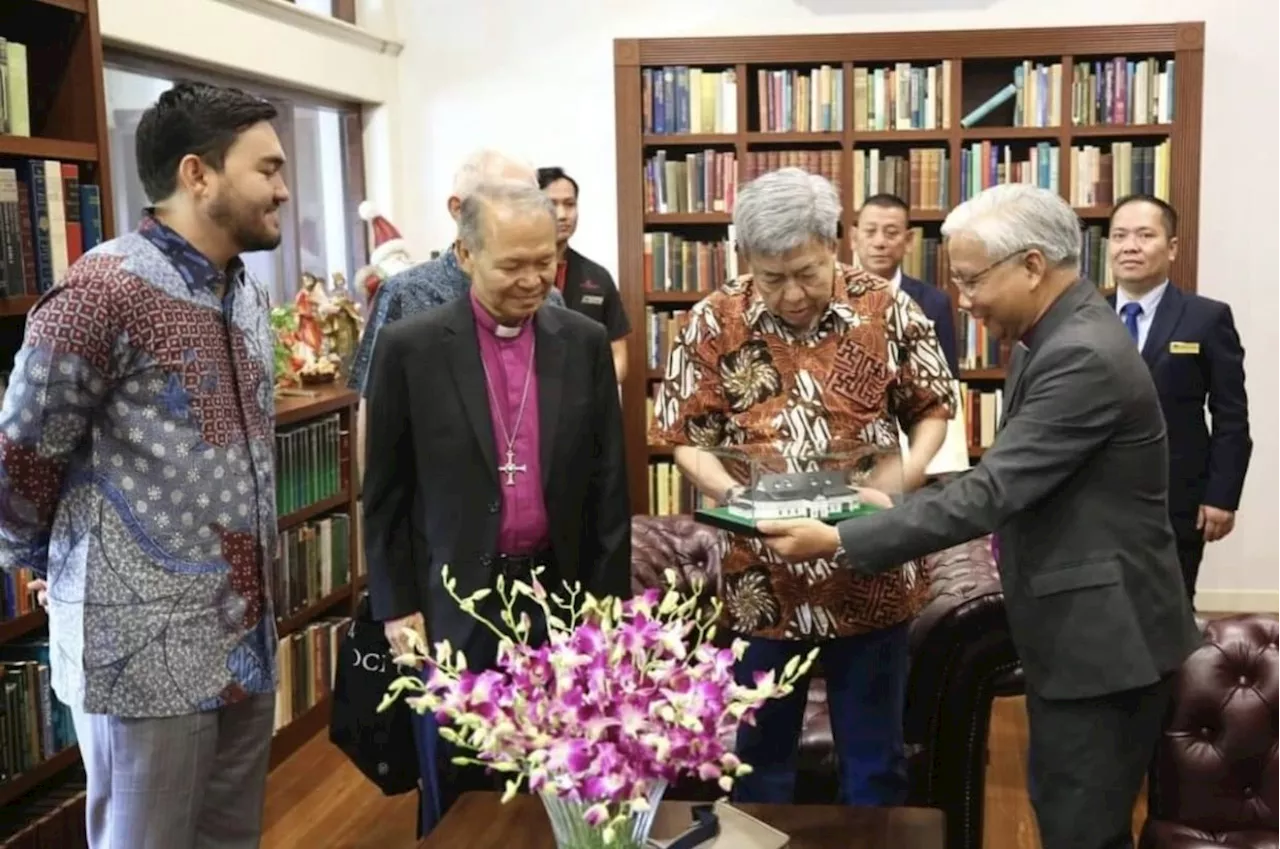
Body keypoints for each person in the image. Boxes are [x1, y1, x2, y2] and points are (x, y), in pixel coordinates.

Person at [756, 183, 1200, 849]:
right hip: (1083, 631)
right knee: (1065, 810)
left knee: (1082, 828)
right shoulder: (1051, 335)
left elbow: (992, 491)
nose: (962, 299)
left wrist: (840, 537)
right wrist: (886, 501)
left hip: (1106, 641)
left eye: (970, 279)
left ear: (1029, 265)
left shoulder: (1080, 353)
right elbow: (1014, 480)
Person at [0, 82, 288, 849]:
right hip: (140, 655)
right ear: (198, 174)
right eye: (267, 168)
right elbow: (18, 455)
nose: (284, 188)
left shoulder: (248, 293)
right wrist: (40, 557)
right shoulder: (101, 291)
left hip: (244, 638)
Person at [649, 166, 954, 807]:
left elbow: (931, 408)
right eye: (772, 277)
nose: (791, 294)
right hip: (760, 577)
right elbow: (682, 434)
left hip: (869, 567)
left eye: (807, 273)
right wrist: (733, 498)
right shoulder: (712, 321)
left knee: (875, 763)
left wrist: (907, 478)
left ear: (835, 242)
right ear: (743, 258)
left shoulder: (888, 307)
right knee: (759, 763)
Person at [362, 179, 631, 834]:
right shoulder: (411, 347)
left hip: (558, 592)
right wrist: (395, 605)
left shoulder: (584, 340)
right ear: (464, 255)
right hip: (454, 597)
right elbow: (386, 492)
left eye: (544, 260)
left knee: (560, 770)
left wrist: (608, 615)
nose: (533, 278)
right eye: (513, 264)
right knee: (459, 775)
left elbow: (608, 490)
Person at [1107, 194, 1251, 604]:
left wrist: (1221, 496)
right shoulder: (1087, 317)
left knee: (1167, 614)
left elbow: (1231, 416)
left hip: (1175, 499)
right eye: (1119, 236)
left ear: (1171, 248)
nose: (1129, 246)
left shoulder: (1205, 317)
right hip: (1097, 502)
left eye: (1144, 235)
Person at [347, 149, 565, 397]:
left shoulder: (549, 299)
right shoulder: (406, 294)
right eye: (505, 202)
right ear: (457, 209)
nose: (520, 215)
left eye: (529, 201)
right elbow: (374, 403)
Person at [537, 166, 631, 381]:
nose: (562, 215)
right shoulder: (516, 273)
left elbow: (619, 355)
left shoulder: (597, 277)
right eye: (551, 204)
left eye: (570, 205)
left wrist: (597, 392)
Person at [853, 192, 960, 376]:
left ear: (909, 241)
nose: (880, 242)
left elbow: (948, 380)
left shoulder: (934, 303)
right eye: (870, 232)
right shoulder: (831, 298)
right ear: (854, 239)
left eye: (891, 233)